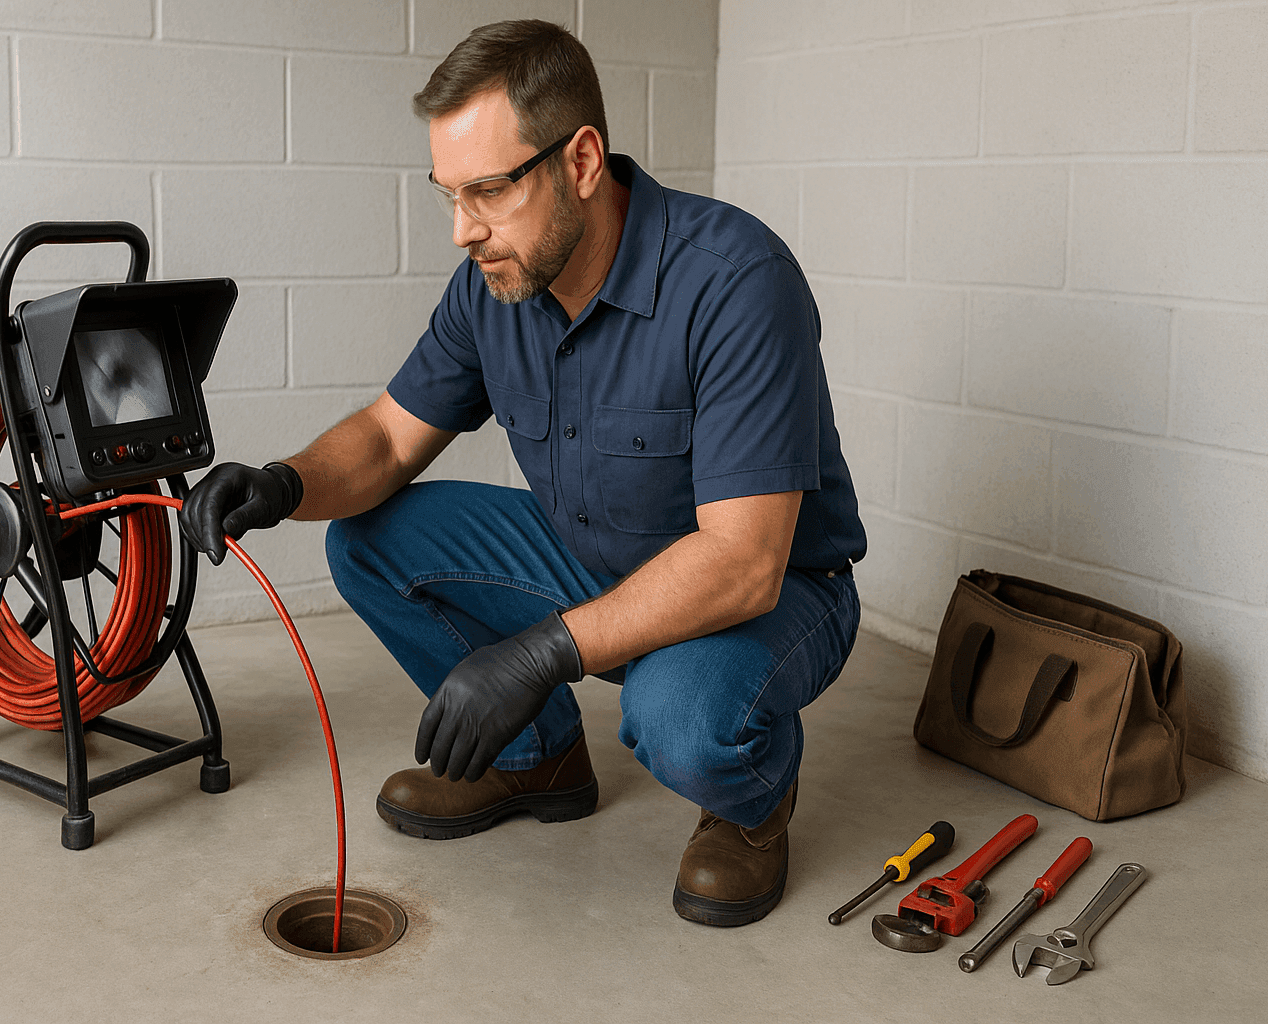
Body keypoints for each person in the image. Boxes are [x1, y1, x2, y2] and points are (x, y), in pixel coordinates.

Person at [179, 20, 865, 928]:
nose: (464, 231)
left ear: (580, 160)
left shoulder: (735, 281)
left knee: (679, 719)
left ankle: (752, 800)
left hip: (773, 590)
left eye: (490, 191)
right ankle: (535, 760)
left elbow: (742, 561)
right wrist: (283, 483)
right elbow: (387, 441)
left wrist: (540, 652)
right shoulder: (495, 280)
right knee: (371, 539)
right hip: (595, 555)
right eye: (449, 195)